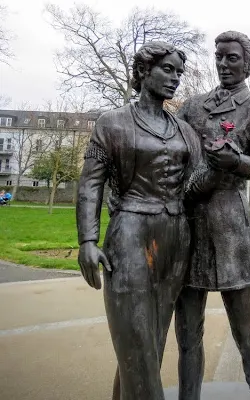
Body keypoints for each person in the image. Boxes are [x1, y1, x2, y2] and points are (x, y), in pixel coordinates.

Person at [76, 41, 211, 400]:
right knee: (136, 341)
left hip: (175, 239)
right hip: (130, 234)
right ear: (142, 72)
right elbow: (91, 182)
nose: (175, 79)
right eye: (168, 69)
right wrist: (87, 241)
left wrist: (226, 162)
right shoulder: (113, 123)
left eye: (179, 72)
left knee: (150, 344)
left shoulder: (183, 130)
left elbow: (196, 182)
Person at [175, 31, 250, 400]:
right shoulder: (191, 106)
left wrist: (237, 161)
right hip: (189, 226)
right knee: (187, 337)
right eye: (219, 57)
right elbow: (174, 155)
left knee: (247, 338)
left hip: (231, 229)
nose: (223, 64)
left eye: (232, 58)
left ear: (248, 64)